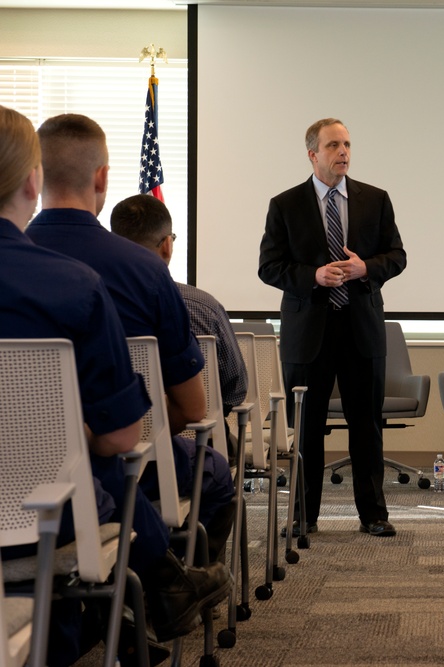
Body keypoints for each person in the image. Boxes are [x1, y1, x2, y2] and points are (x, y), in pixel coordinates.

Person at [0, 106, 230, 662]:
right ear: (32, 179)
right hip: (41, 517)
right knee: (99, 455)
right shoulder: (79, 285)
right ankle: (166, 585)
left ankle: (143, 605)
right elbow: (130, 434)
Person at [27, 115, 235, 564]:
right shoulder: (145, 270)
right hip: (127, 459)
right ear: (102, 177)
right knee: (215, 473)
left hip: (17, 474)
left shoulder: (17, 260)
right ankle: (182, 586)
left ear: (36, 175)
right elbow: (192, 409)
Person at [259, 118, 406, 537]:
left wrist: (366, 268)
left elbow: (397, 256)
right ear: (313, 154)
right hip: (309, 333)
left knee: (366, 424)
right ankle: (304, 517)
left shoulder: (375, 200)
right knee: (306, 428)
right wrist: (313, 277)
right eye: (333, 146)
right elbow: (269, 267)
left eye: (347, 144)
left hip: (361, 328)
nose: (343, 152)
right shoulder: (285, 204)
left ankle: (374, 514)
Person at [110, 194, 248, 424]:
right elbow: (235, 389)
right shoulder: (205, 307)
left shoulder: (95, 305)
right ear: (167, 245)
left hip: (117, 443)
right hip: (199, 441)